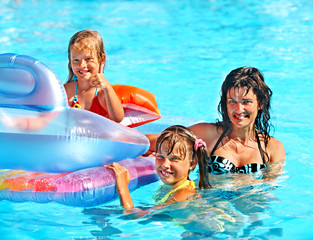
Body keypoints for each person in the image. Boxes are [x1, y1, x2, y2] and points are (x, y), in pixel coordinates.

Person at [146, 67, 286, 181]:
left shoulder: (272, 149)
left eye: (246, 102)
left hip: (248, 210)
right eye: (232, 101)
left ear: (260, 103)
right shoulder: (208, 134)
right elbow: (154, 143)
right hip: (206, 209)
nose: (238, 109)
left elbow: (267, 193)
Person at [105, 125, 210, 211]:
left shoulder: (183, 195)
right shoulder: (174, 187)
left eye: (174, 159)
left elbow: (135, 218)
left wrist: (123, 188)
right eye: (160, 156)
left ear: (192, 163)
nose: (165, 164)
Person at [64, 30, 124, 123]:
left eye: (88, 59)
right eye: (76, 60)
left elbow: (117, 118)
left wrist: (107, 87)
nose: (82, 65)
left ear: (102, 59)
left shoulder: (102, 93)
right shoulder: (67, 91)